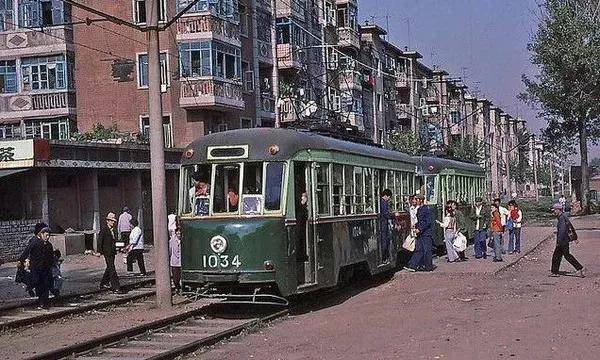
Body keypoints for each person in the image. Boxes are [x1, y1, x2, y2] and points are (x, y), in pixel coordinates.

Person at [18, 223, 54, 309]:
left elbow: (50, 257)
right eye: (46, 235)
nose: (48, 237)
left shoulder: (49, 245)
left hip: (46, 269)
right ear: (41, 234)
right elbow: (26, 252)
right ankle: (38, 298)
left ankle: (43, 302)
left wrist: (52, 264)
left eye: (49, 235)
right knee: (38, 284)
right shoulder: (34, 243)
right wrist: (21, 260)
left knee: (45, 285)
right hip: (36, 268)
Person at [550, 203, 585, 277]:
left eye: (555, 210)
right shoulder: (562, 217)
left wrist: (558, 242)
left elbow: (562, 231)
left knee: (560, 256)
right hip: (564, 240)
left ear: (559, 210)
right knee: (562, 256)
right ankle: (555, 272)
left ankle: (579, 268)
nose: (554, 212)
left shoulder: (562, 218)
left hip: (563, 241)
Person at [405, 195, 435, 272]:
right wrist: (416, 226)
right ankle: (413, 266)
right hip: (420, 232)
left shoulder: (426, 209)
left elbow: (427, 222)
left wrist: (419, 228)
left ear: (421, 200)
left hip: (425, 233)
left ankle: (428, 267)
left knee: (427, 250)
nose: (415, 201)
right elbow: (421, 221)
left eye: (417, 199)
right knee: (419, 249)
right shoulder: (420, 209)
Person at [96, 212, 122, 293]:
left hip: (112, 252)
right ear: (107, 221)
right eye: (111, 221)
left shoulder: (113, 230)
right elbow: (100, 241)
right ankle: (116, 287)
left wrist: (119, 247)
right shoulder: (104, 230)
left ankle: (104, 283)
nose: (113, 222)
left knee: (109, 267)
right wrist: (99, 251)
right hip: (106, 252)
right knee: (112, 269)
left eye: (114, 221)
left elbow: (114, 241)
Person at [379, 189, 399, 263]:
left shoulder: (382, 202)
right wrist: (394, 215)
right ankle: (384, 258)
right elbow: (385, 214)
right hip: (383, 223)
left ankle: (385, 257)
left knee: (385, 240)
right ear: (386, 196)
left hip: (384, 223)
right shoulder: (383, 202)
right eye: (389, 197)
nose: (389, 199)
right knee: (384, 241)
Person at [169, 227, 182, 294]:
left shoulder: (184, 240)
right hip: (174, 261)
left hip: (182, 261)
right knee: (175, 277)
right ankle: (177, 287)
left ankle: (180, 289)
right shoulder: (172, 241)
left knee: (181, 276)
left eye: (180, 233)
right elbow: (170, 250)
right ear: (176, 233)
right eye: (178, 233)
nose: (179, 234)